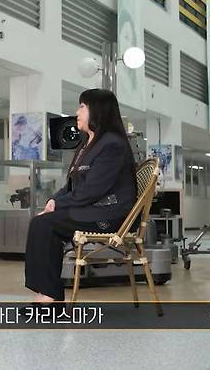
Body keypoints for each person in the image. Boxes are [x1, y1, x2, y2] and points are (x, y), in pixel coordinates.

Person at [25, 89, 137, 302]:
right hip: (91, 210)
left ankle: (49, 297)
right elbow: (72, 186)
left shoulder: (112, 144)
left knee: (44, 224)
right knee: (40, 222)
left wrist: (59, 205)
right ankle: (45, 293)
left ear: (97, 110)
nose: (77, 112)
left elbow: (93, 190)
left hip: (108, 216)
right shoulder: (87, 144)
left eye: (82, 107)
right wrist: (53, 200)